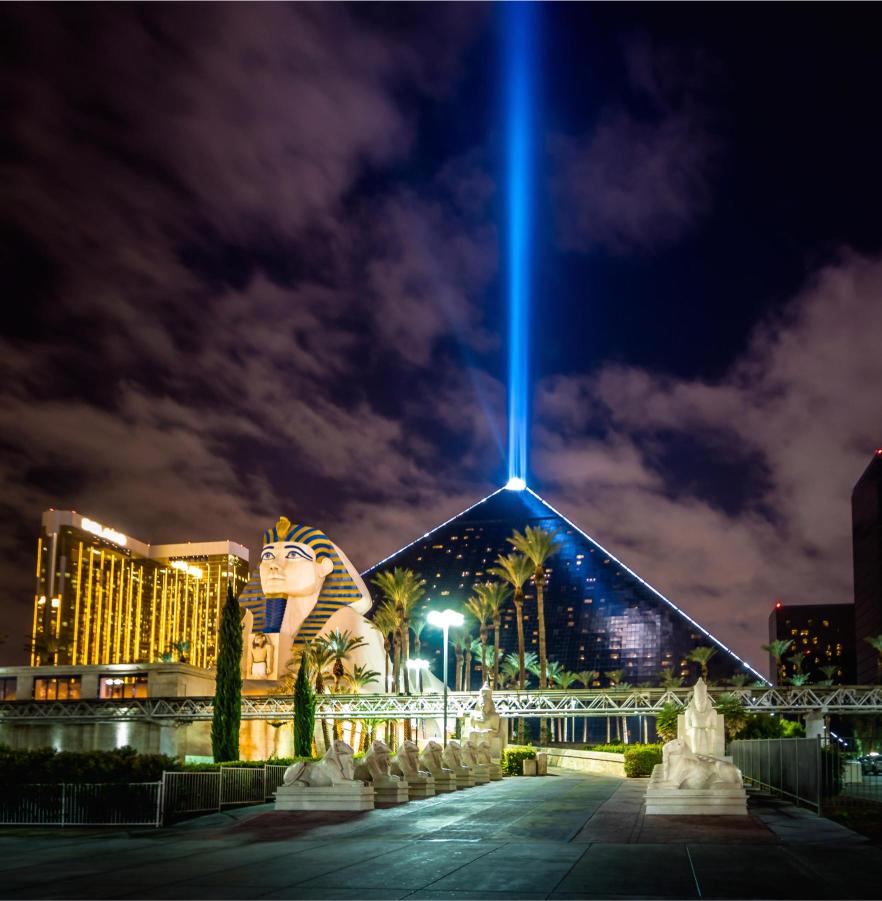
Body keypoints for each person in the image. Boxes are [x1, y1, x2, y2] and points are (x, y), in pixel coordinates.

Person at [239, 516, 386, 687]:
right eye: (268, 555)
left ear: (324, 567)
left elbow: (366, 688)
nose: (274, 565)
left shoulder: (351, 624)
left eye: (293, 554)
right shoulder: (249, 622)